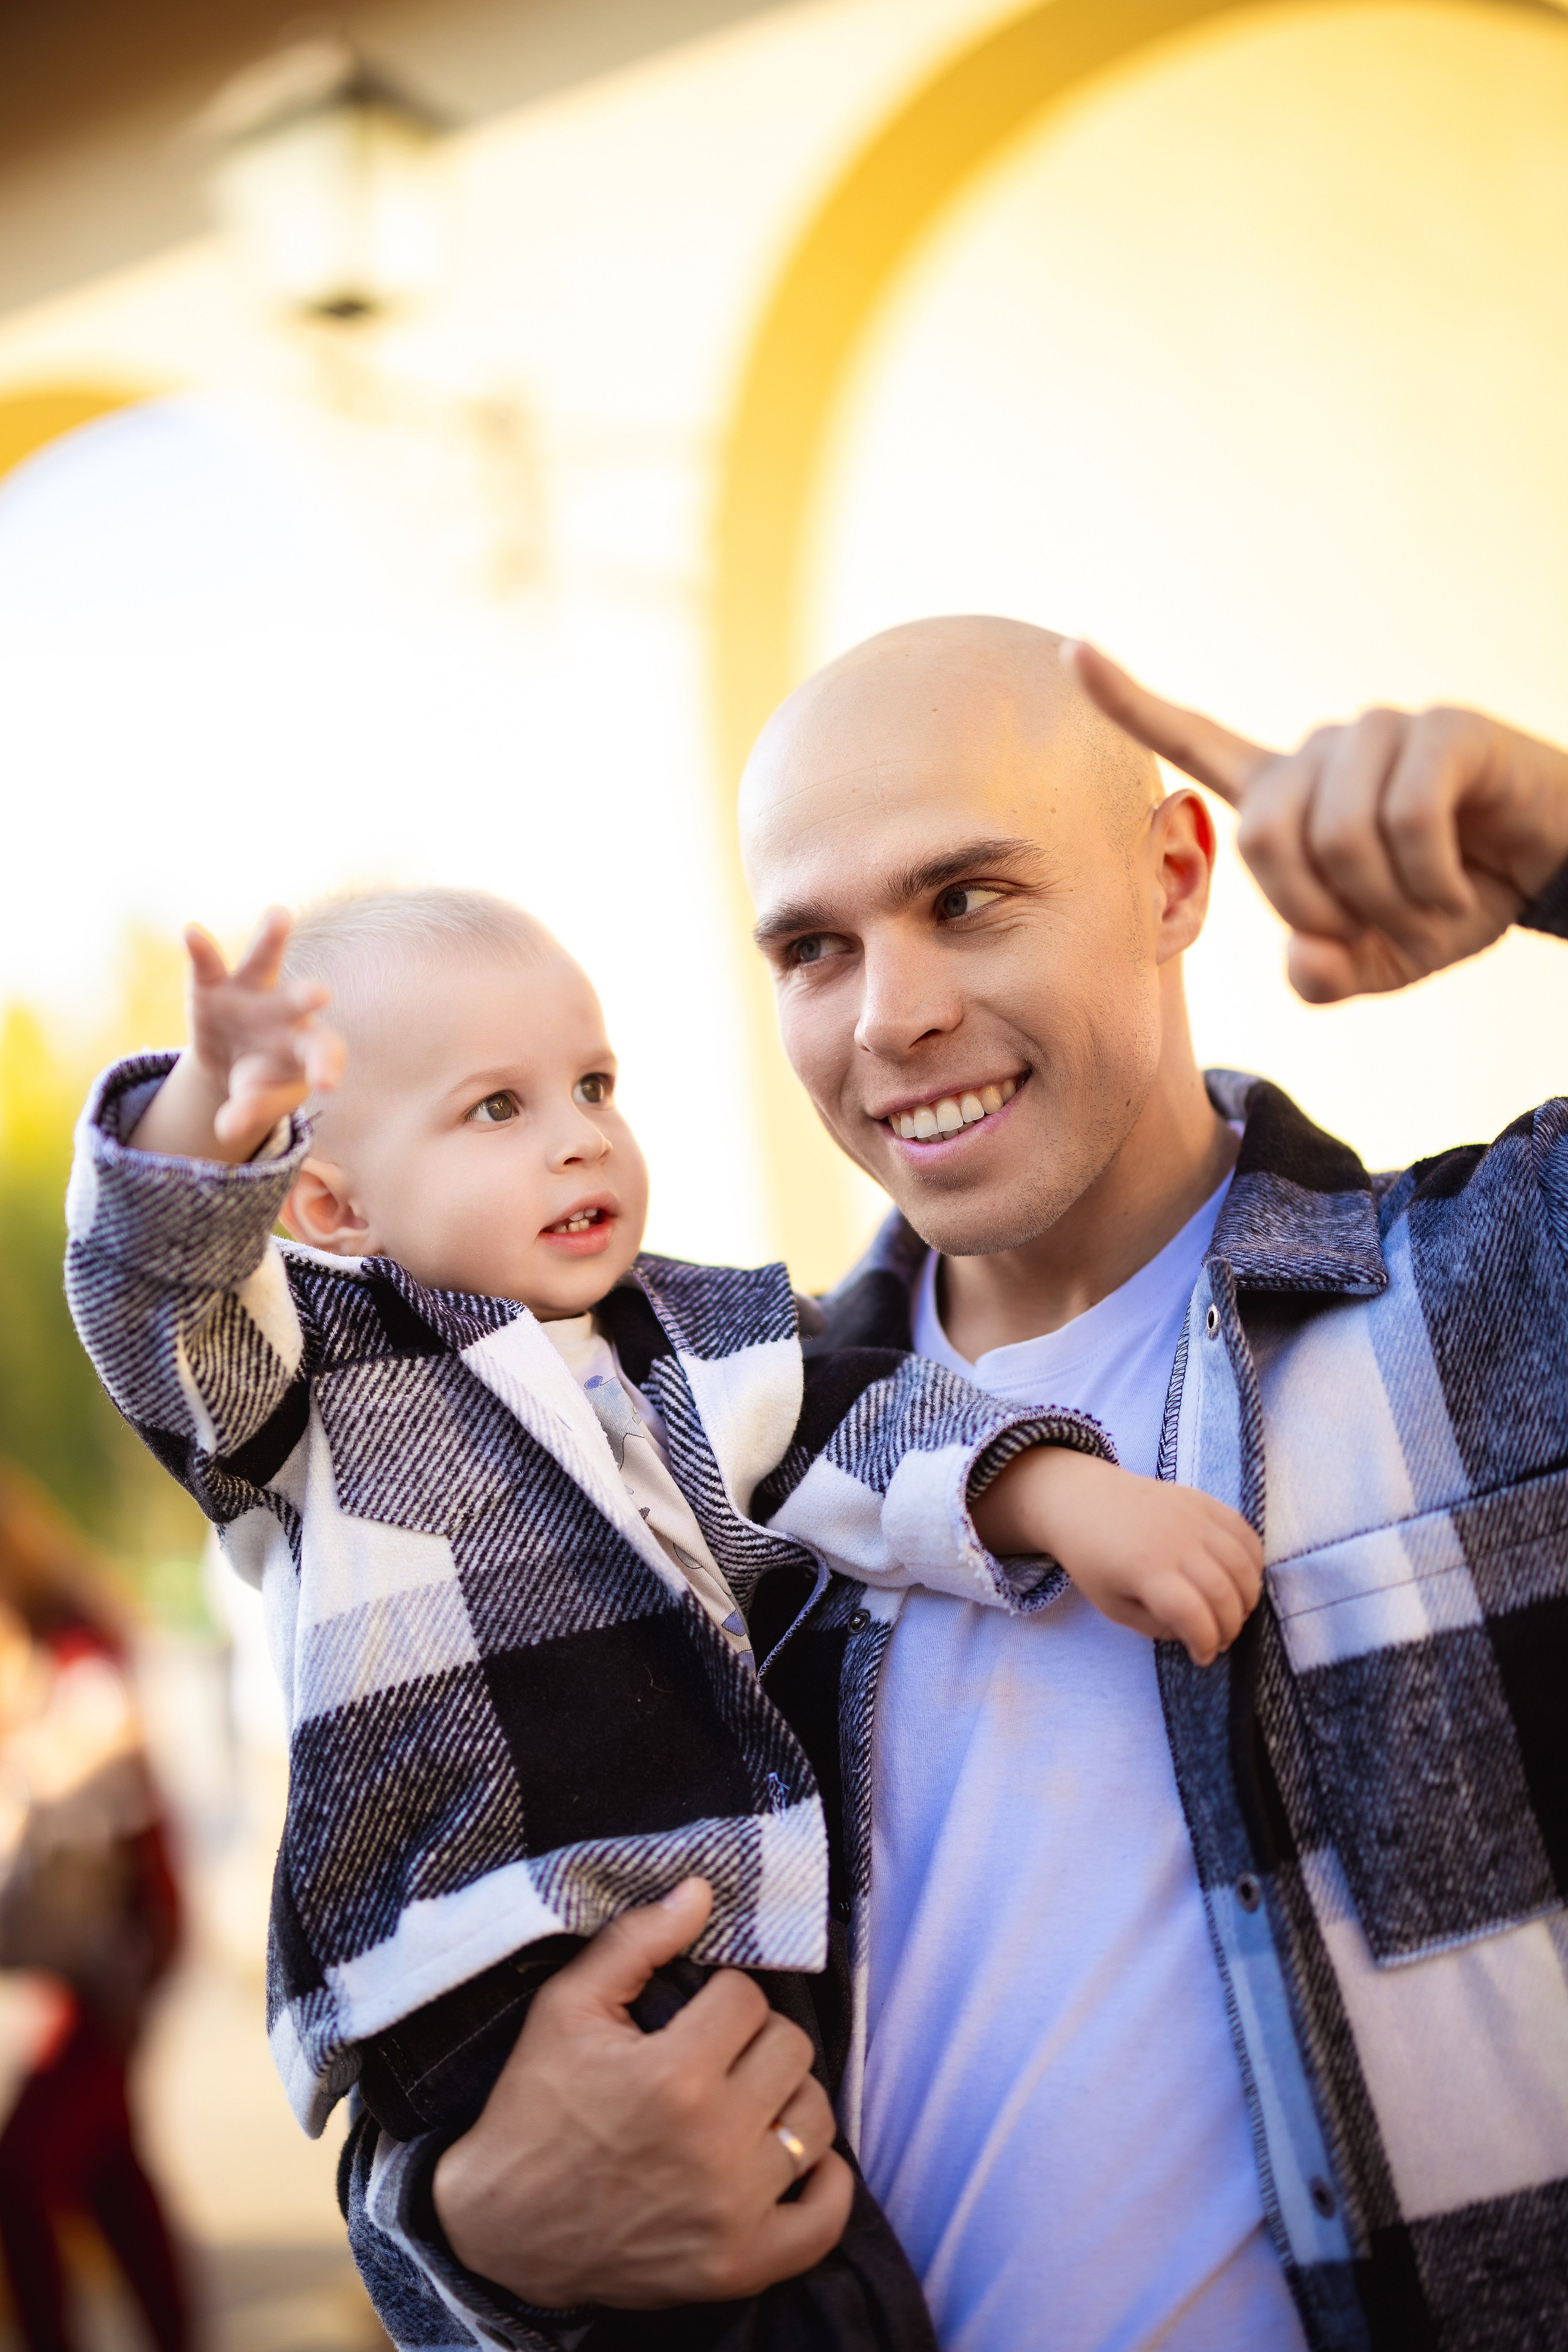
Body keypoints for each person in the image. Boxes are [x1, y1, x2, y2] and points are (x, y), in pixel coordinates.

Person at [419, 619, 1568, 2352]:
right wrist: (468, 2228)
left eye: (967, 900)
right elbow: (434, 1996)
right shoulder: (684, 1488)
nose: (895, 1015)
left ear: (1176, 875)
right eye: (815, 945)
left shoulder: (1489, 1303)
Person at [64, 886, 1261, 2352]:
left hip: (721, 1922)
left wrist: (1068, 1499)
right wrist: (205, 1115)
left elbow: (863, 1425)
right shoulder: (314, 1388)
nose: (578, 1136)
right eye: (494, 1108)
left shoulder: (692, 1335)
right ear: (331, 1204)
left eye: (592, 1087)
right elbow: (159, 1306)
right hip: (472, 1958)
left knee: (821, 2270)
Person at [0, 1464, 189, 2352]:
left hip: (121, 1945)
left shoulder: (73, 1646)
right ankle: (177, 2331)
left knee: (23, 2167)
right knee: (107, 2161)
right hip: (85, 1950)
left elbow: (105, 1738)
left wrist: (30, 1746)